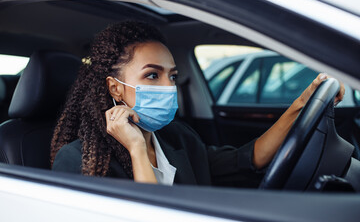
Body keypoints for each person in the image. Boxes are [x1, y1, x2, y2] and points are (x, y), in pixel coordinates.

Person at [51, 21, 344, 187]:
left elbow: (249, 158)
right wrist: (137, 149)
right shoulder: (78, 159)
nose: (168, 87)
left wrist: (301, 104)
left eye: (173, 76)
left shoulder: (178, 138)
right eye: (152, 75)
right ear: (115, 87)